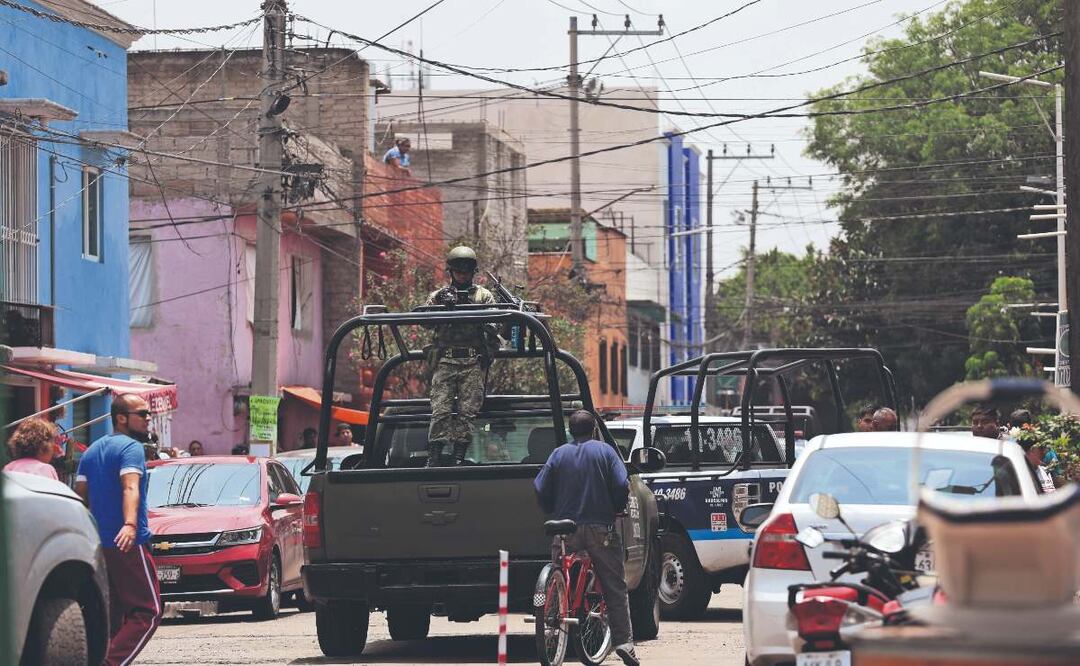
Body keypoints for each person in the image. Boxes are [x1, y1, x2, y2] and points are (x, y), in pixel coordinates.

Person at [534, 410, 639, 666]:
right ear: (593, 429)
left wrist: (551, 508)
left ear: (571, 430)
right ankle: (624, 642)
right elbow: (620, 483)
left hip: (564, 529)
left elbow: (539, 486)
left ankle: (554, 611)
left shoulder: (558, 454)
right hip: (600, 527)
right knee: (614, 585)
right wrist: (616, 507)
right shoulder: (605, 452)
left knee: (561, 577)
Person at [74, 394, 162, 666]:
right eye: (142, 414)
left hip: (101, 545)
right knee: (149, 611)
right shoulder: (130, 449)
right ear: (121, 418)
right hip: (128, 542)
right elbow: (130, 485)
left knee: (116, 616)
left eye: (148, 414)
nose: (148, 419)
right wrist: (130, 524)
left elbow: (80, 496)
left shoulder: (90, 452)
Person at [424, 246, 497, 467]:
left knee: (467, 412)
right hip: (445, 360)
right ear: (451, 272)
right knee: (440, 410)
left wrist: (473, 310)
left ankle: (458, 456)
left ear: (473, 272)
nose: (462, 275)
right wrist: (442, 308)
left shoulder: (483, 296)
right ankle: (435, 455)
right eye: (458, 271)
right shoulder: (438, 296)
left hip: (472, 361)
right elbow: (424, 322)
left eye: (466, 271)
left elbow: (495, 326)